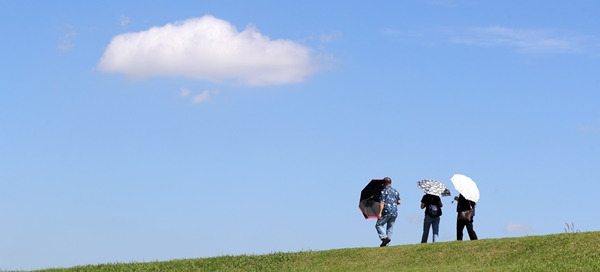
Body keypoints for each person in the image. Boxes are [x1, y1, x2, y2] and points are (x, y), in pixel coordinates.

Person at [375, 177, 401, 247]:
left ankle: (384, 238)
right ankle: (387, 244)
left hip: (386, 211)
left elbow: (382, 203)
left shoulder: (383, 191)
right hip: (394, 212)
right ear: (391, 183)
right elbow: (399, 202)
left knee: (378, 225)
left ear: (383, 184)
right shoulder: (395, 191)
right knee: (390, 228)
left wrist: (380, 213)